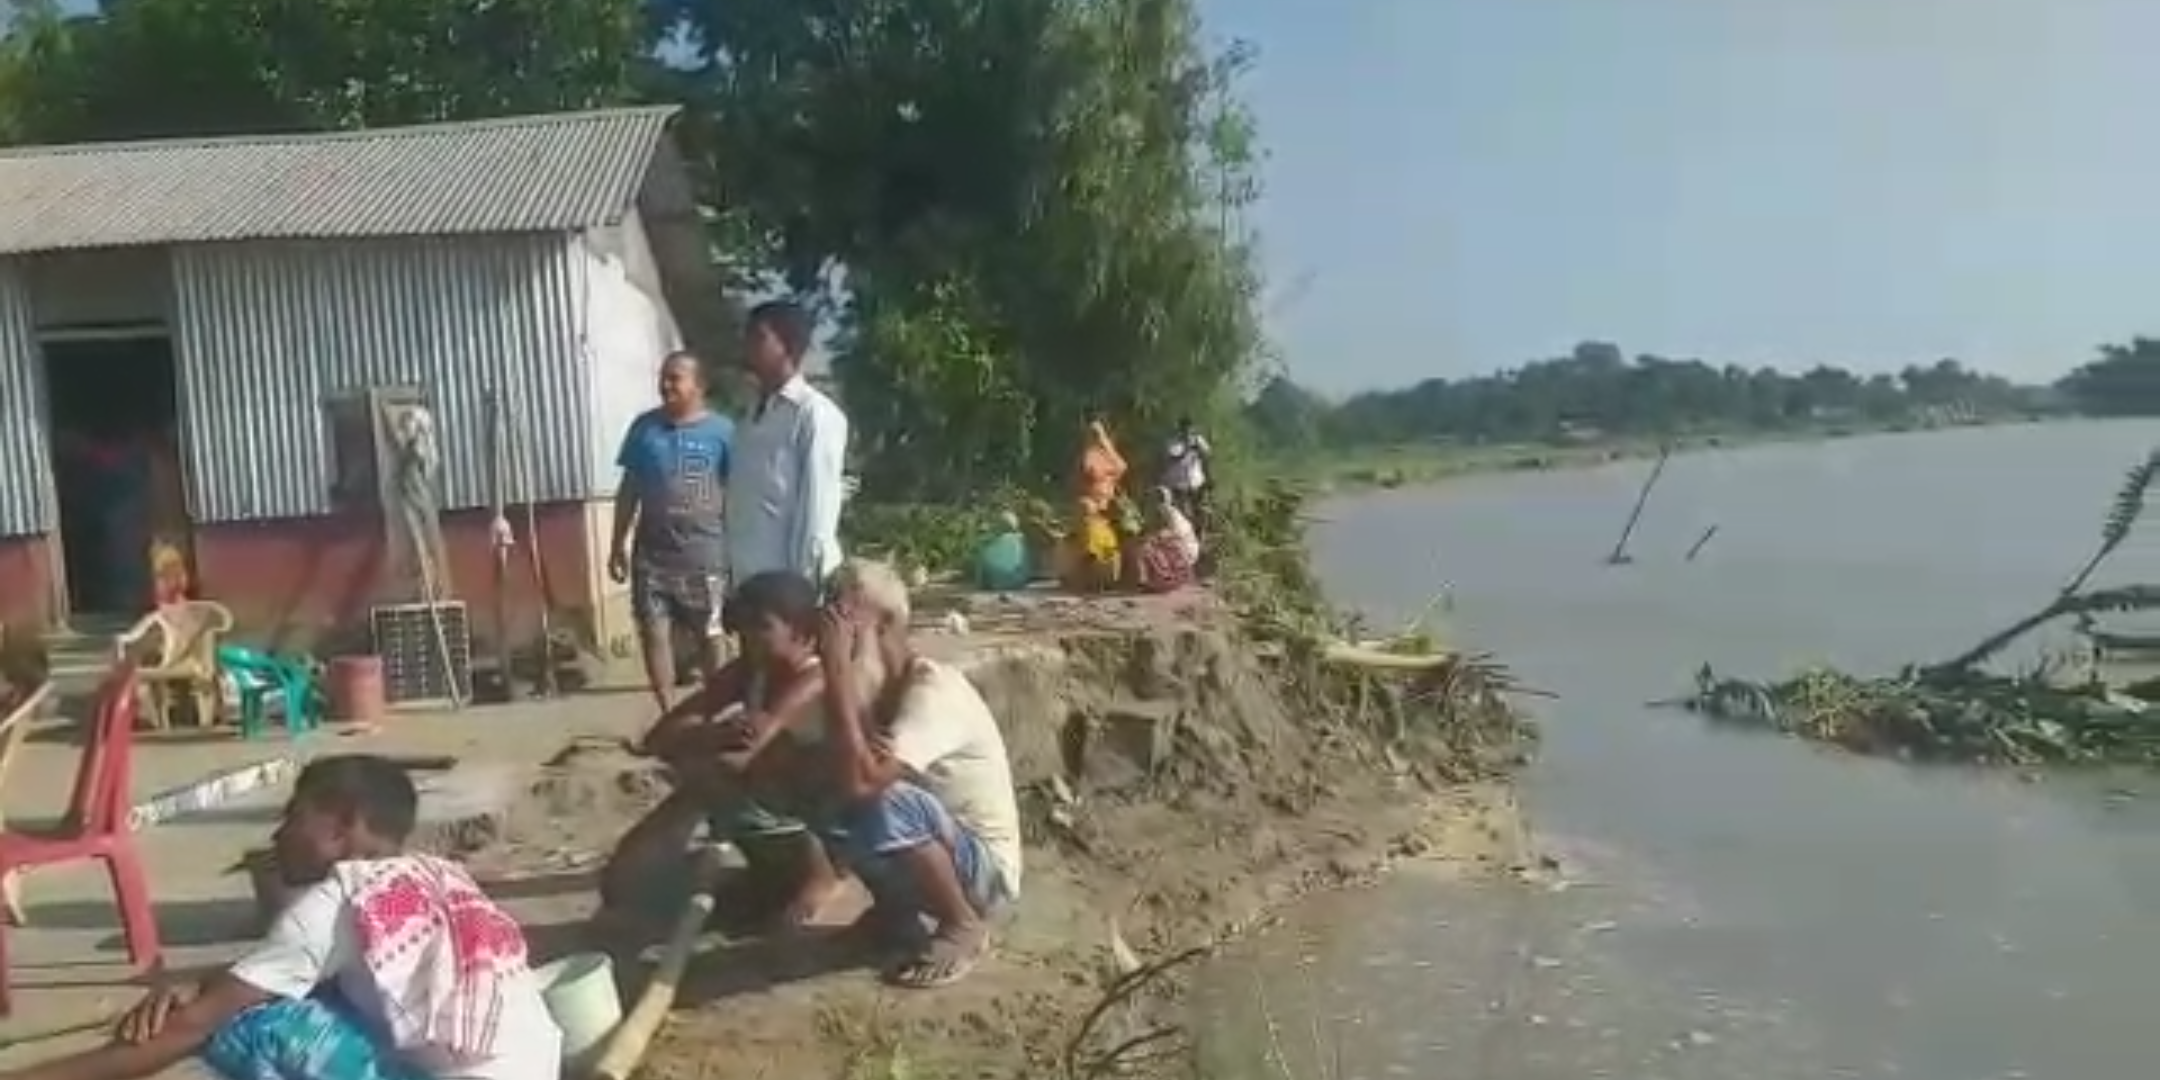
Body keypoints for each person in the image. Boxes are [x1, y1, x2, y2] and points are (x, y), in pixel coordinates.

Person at [0, 756, 560, 1080]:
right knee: (290, 997)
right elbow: (302, 971)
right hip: (534, 1067)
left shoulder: (335, 902)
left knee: (247, 1025)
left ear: (342, 826)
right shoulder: (441, 878)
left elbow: (195, 1022)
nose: (277, 834)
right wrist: (200, 981)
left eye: (293, 816)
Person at [595, 570, 848, 942]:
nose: (748, 638)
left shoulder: (815, 679)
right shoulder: (751, 672)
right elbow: (660, 736)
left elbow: (745, 749)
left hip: (820, 820)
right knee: (623, 883)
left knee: (711, 773)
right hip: (766, 807)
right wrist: (711, 735)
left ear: (803, 633)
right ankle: (761, 882)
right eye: (744, 626)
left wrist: (699, 744)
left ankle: (819, 879)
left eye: (762, 627)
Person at [818, 558, 1023, 988]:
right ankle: (895, 915)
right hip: (943, 847)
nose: (837, 642)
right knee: (818, 783)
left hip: (987, 875)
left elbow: (864, 784)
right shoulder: (877, 690)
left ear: (887, 624)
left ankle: (962, 924)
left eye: (849, 629)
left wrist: (836, 669)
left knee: (879, 798)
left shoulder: (933, 692)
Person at [607, 351, 735, 713]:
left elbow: (738, 490)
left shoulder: (723, 432)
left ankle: (718, 710)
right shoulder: (644, 429)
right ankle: (668, 712)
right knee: (653, 632)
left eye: (675, 378)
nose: (666, 385)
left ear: (699, 385)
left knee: (711, 636)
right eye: (663, 377)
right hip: (652, 554)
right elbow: (629, 489)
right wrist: (617, 543)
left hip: (705, 553)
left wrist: (738, 548)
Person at [728, 300, 850, 589]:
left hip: (788, 586)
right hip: (747, 580)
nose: (747, 346)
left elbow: (817, 513)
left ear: (789, 347)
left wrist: (803, 588)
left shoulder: (814, 414)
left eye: (758, 337)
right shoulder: (749, 419)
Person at [1134, 487, 1200, 594]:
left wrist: (1152, 538)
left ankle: (1157, 582)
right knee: (1150, 547)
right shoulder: (1170, 511)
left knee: (1146, 549)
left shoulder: (1166, 511)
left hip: (1184, 550)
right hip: (1188, 549)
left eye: (1153, 497)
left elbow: (1173, 532)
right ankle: (1159, 582)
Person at [1162, 415, 1212, 535]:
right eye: (1185, 428)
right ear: (1180, 428)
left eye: (1189, 428)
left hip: (1196, 482)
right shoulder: (1174, 442)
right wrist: (1187, 448)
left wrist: (1198, 449)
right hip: (1178, 485)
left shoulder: (1198, 440)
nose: (1187, 431)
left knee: (1200, 512)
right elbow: (1173, 456)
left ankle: (1199, 536)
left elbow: (1207, 455)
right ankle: (1185, 538)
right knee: (1183, 514)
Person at [972, 510, 1031, 592]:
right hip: (1018, 582)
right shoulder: (1021, 539)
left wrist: (979, 584)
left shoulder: (988, 541)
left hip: (995, 583)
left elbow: (981, 565)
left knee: (983, 554)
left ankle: (983, 583)